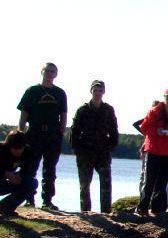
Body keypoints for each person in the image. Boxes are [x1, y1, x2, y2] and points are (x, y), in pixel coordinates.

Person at [17, 63, 68, 210]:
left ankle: (47, 201)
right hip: (34, 133)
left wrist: (60, 132)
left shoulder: (60, 93)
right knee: (30, 167)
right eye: (47, 71)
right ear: (42, 72)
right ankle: (29, 199)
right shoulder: (32, 91)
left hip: (53, 135)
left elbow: (63, 115)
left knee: (50, 169)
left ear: (56, 74)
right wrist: (20, 133)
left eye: (52, 71)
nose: (49, 73)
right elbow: (24, 114)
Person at [70, 80, 119, 213]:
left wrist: (110, 147)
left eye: (100, 90)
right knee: (84, 185)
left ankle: (106, 212)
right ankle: (86, 212)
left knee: (106, 184)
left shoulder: (108, 110)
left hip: (102, 152)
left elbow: (114, 130)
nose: (98, 93)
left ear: (104, 92)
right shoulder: (83, 110)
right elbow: (74, 131)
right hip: (85, 152)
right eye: (95, 90)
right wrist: (77, 150)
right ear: (91, 91)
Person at [137, 89, 168, 216]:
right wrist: (156, 131)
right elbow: (144, 127)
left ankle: (158, 209)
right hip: (154, 150)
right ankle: (143, 208)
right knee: (149, 180)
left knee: (163, 182)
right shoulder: (154, 111)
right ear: (164, 97)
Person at [0, 130, 38, 217]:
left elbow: (30, 171)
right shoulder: (1, 149)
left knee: (31, 183)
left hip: (6, 182)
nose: (17, 151)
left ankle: (5, 207)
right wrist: (5, 173)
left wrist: (19, 176)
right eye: (14, 148)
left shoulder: (28, 152)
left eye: (20, 148)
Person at [133, 100, 160, 196]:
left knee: (155, 173)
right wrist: (145, 133)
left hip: (156, 148)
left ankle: (151, 194)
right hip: (147, 148)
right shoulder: (148, 118)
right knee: (144, 173)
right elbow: (135, 124)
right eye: (155, 107)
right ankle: (142, 194)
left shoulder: (160, 120)